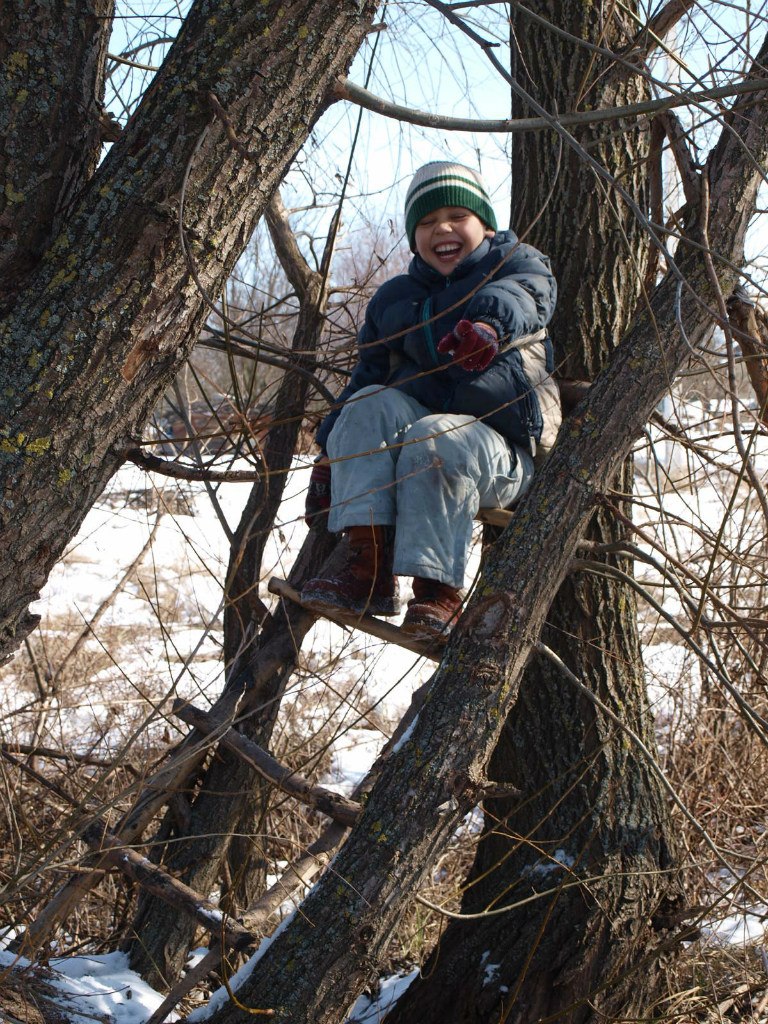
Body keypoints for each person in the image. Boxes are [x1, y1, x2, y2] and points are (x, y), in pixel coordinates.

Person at [301, 161, 560, 638]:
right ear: (413, 236)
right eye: (425, 222)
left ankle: (437, 590)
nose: (441, 228)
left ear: (485, 223)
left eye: (456, 215)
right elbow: (367, 377)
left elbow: (522, 296)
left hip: (502, 451)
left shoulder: (518, 263)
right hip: (422, 441)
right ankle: (369, 568)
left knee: (436, 435)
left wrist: (486, 326)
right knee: (366, 406)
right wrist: (332, 453)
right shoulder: (395, 298)